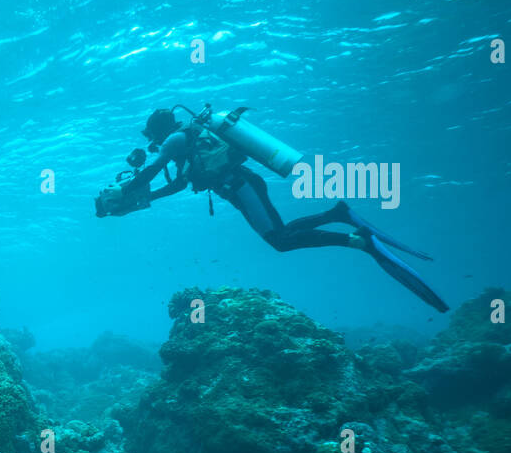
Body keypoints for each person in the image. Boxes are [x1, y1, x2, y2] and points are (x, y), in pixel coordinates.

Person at [122, 107, 449, 312]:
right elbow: (178, 185)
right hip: (242, 187)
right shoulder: (188, 140)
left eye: (151, 135)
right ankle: (337, 214)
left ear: (158, 129)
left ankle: (356, 239)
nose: (151, 141)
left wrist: (125, 192)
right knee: (282, 234)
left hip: (242, 187)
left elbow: (151, 172)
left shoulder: (175, 141)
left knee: (279, 240)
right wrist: (145, 201)